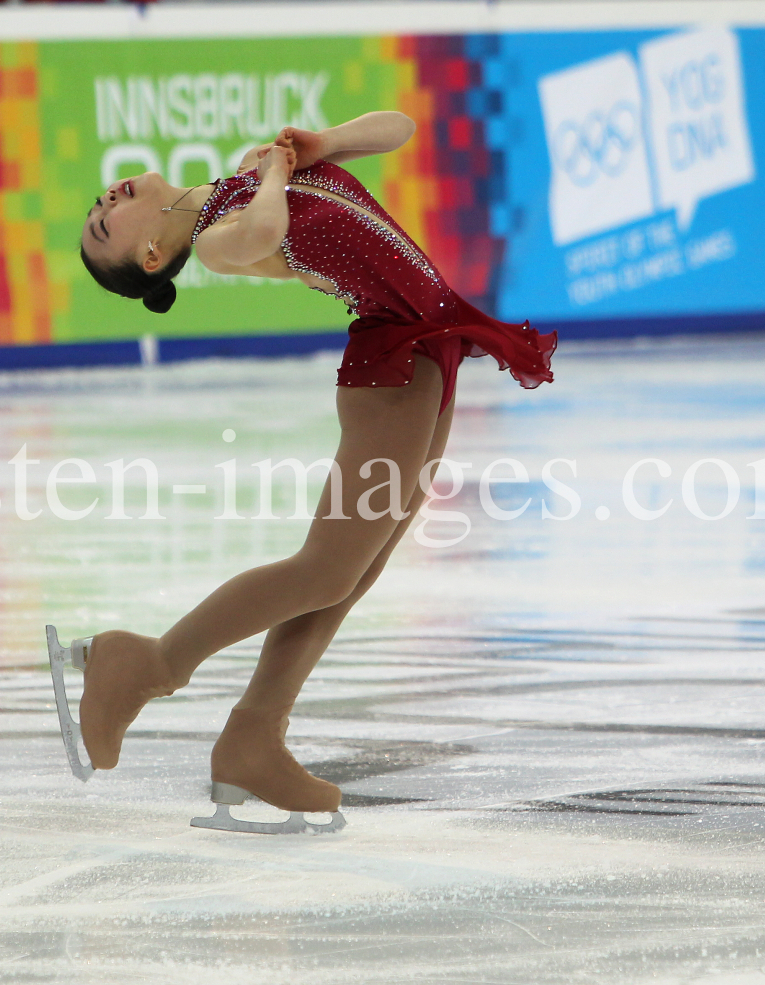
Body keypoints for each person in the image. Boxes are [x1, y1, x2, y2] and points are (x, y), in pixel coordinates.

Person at [71, 111, 555, 829]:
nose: (104, 201)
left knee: (356, 572)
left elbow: (401, 127)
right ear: (150, 253)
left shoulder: (243, 174)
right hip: (388, 365)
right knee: (326, 567)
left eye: (100, 203)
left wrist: (322, 146)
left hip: (430, 353)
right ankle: (148, 663)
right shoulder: (216, 239)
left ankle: (252, 737)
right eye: (102, 223)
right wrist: (276, 172)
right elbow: (267, 234)